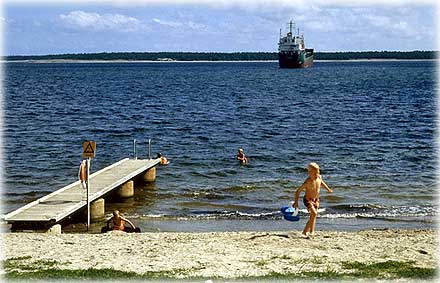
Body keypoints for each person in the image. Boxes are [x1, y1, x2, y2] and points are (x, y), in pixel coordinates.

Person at [293, 162, 333, 238]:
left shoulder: (319, 177)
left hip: (316, 199)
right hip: (308, 200)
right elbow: (298, 191)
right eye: (315, 173)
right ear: (309, 173)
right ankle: (312, 231)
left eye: (318, 172)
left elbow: (321, 183)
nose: (316, 175)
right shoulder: (307, 181)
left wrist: (328, 189)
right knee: (314, 213)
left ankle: (305, 232)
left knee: (313, 215)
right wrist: (296, 202)